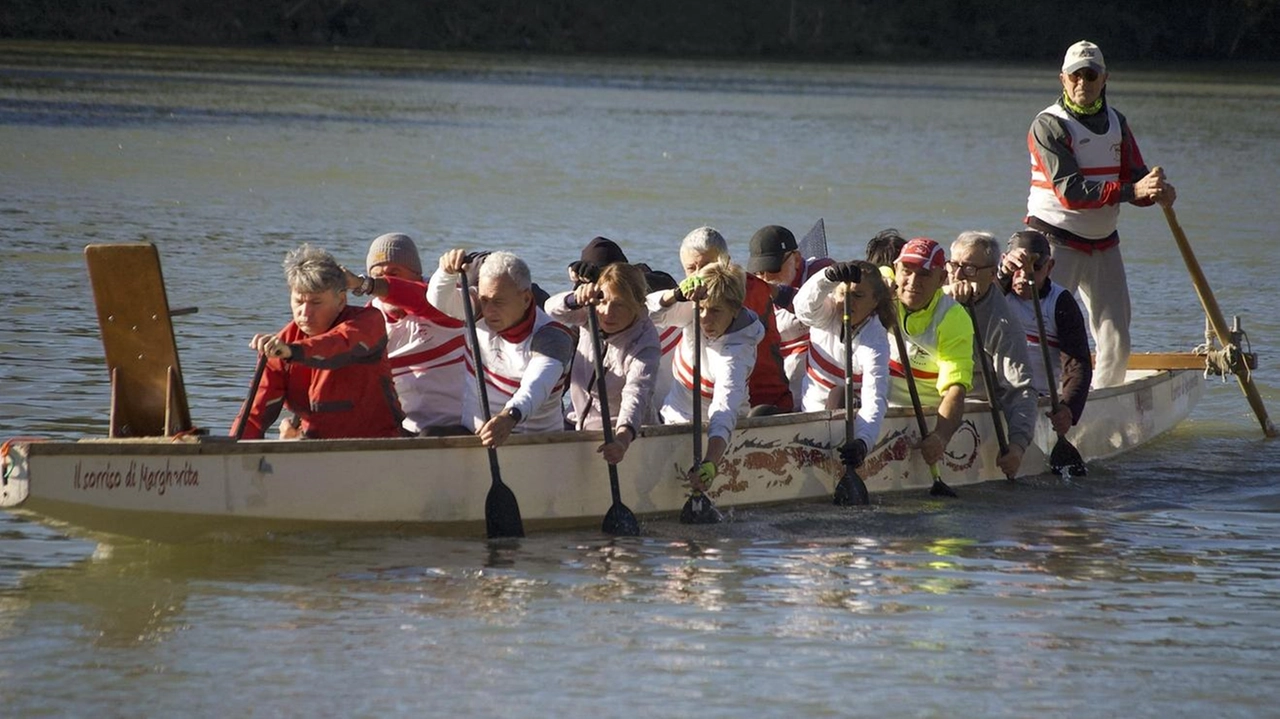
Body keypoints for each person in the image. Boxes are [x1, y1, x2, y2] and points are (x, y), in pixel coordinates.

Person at [1025, 39, 1176, 389]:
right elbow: (1071, 190)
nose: (1083, 83)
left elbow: (1134, 177)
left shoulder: (1117, 123)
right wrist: (1133, 191)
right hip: (1053, 241)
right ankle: (1045, 401)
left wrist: (1154, 190)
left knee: (1116, 335)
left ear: (1104, 78)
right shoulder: (1048, 125)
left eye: (1090, 75)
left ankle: (1104, 401)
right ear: (1063, 79)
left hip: (1103, 243)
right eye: (1076, 76)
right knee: (1046, 331)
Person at [233, 243, 405, 440]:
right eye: (298, 301)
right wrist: (230, 450)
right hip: (315, 447)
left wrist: (291, 352)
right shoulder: (281, 345)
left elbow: (338, 344)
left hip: (380, 443)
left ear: (341, 300)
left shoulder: (368, 322)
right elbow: (254, 417)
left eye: (316, 303)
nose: (304, 313)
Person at [427, 249, 574, 447]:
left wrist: (509, 416)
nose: (488, 311)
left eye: (498, 302)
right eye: (485, 300)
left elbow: (536, 387)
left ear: (526, 299)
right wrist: (446, 272)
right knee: (427, 435)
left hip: (532, 443)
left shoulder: (551, 337)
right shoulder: (476, 311)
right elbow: (439, 299)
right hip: (475, 434)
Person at [341, 232, 469, 436]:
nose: (384, 280)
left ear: (416, 276)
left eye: (394, 272)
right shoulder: (369, 319)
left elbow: (417, 298)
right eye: (377, 274)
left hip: (462, 427)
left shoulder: (447, 300)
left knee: (428, 434)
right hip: (406, 432)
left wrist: (365, 284)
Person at [648, 261, 760, 492]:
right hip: (672, 418)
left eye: (716, 310)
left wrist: (710, 463)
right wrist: (675, 295)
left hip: (718, 431)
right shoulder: (694, 308)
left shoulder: (737, 354)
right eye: (701, 309)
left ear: (735, 310)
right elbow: (647, 313)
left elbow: (724, 408)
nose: (705, 319)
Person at [546, 262, 660, 464]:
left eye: (619, 305)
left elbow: (636, 393)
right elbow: (551, 310)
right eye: (604, 301)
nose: (607, 312)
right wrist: (575, 298)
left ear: (637, 305)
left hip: (622, 433)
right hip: (576, 422)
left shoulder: (645, 342)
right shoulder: (590, 314)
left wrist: (622, 439)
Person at [947, 231, 1039, 479]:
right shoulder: (934, 295)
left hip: (971, 402)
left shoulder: (1004, 322)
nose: (957, 277)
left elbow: (1021, 389)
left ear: (992, 273)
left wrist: (1018, 447)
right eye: (953, 266)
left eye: (969, 269)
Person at [674, 226, 794, 413]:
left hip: (763, 402)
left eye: (707, 266)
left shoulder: (746, 291)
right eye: (691, 269)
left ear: (725, 264)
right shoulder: (689, 294)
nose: (698, 275)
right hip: (712, 398)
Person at [793, 260, 894, 469]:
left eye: (857, 296)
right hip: (808, 418)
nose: (848, 303)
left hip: (847, 424)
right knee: (762, 411)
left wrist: (863, 443)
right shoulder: (826, 313)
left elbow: (875, 398)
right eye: (842, 294)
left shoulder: (875, 341)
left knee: (838, 394)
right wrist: (826, 277)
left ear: (875, 301)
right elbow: (802, 307)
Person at [888, 237, 974, 467]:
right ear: (895, 270)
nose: (913, 281)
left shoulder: (953, 317)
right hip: (877, 409)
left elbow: (955, 388)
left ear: (942, 279)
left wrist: (940, 437)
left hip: (924, 416)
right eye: (907, 270)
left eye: (925, 274)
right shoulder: (882, 297)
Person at [998, 230, 1092, 435]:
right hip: (991, 391)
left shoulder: (1061, 302)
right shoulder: (994, 291)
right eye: (1016, 268)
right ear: (1005, 262)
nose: (1023, 276)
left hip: (1036, 394)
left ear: (1050, 267)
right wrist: (1003, 274)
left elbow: (1077, 363)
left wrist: (1068, 408)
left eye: (1035, 267)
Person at [746, 224, 834, 402]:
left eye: (773, 269)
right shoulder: (755, 289)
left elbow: (826, 308)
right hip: (781, 373)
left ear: (796, 258)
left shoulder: (821, 271)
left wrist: (778, 293)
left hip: (823, 372)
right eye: (759, 272)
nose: (765, 278)